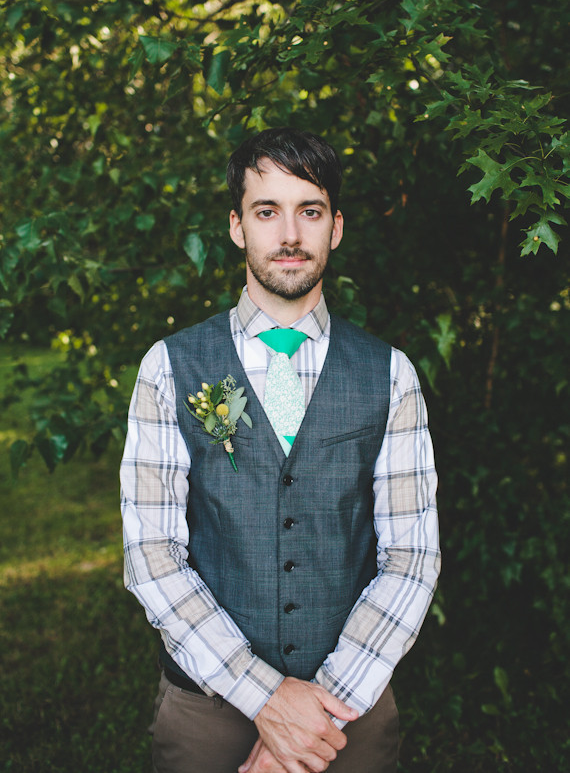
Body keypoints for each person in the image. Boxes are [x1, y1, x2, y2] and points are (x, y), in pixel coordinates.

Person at [120, 127, 440, 773]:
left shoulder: (391, 374)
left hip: (352, 715)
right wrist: (267, 699)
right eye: (268, 211)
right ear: (238, 226)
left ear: (336, 227)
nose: (290, 234)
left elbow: (411, 556)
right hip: (206, 711)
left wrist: (318, 714)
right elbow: (152, 556)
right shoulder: (168, 367)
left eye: (310, 211)